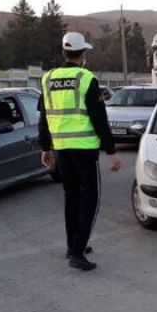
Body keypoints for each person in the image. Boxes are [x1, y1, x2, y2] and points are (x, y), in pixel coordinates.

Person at [38, 32, 121, 271]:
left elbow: (43, 116)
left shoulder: (48, 78)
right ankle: (77, 252)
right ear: (82, 54)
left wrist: (45, 147)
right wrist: (112, 151)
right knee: (90, 201)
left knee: (71, 198)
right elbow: (99, 117)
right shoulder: (86, 78)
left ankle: (72, 245)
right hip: (84, 150)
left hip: (62, 149)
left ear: (64, 52)